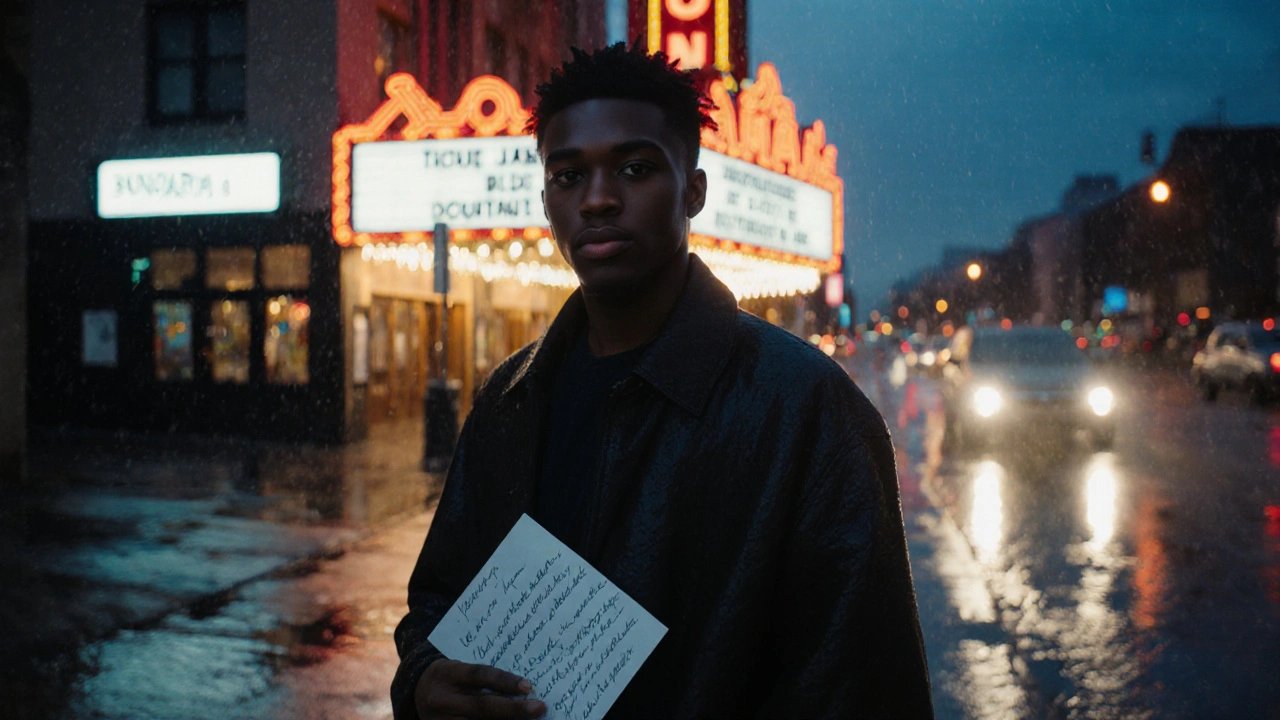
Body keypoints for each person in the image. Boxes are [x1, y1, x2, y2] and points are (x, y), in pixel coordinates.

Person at [392, 41, 933, 720]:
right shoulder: (510, 396)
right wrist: (422, 681)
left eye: (635, 167)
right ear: (546, 197)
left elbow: (863, 687)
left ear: (695, 191)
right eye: (568, 176)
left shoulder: (811, 411)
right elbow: (440, 598)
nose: (596, 199)